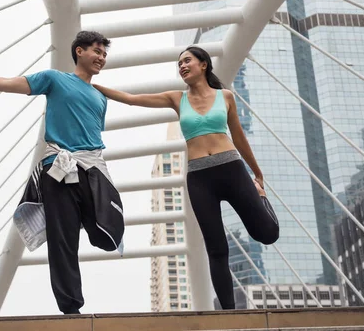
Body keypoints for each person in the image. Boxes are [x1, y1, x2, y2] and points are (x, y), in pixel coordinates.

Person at [0, 31, 125, 315]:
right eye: (97, 51)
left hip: (93, 169)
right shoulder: (55, 79)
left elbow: (93, 135)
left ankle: (97, 232)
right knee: (63, 238)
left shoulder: (100, 98)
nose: (102, 58)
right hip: (57, 169)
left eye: (105, 54)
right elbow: (8, 83)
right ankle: (71, 308)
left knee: (107, 232)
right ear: (79, 51)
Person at [92, 45, 279, 310]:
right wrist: (92, 85)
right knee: (216, 249)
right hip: (200, 178)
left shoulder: (225, 96)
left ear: (203, 64)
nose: (181, 66)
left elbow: (238, 136)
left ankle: (261, 199)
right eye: (179, 63)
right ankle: (229, 316)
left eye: (187, 60)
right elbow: (131, 98)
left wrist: (257, 173)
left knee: (268, 234)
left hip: (232, 169)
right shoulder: (175, 99)